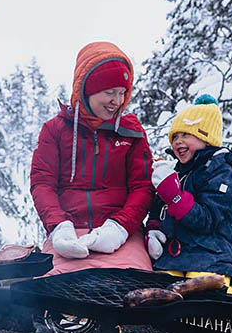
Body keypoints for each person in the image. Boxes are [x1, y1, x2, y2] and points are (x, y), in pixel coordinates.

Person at [30, 42, 154, 276]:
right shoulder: (55, 130)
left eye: (122, 93)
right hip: (69, 233)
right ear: (86, 88)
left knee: (135, 287)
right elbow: (42, 183)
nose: (117, 101)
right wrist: (58, 227)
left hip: (122, 234)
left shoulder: (132, 132)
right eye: (109, 92)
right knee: (52, 288)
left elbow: (143, 187)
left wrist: (119, 228)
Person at [146, 95, 232, 294]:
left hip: (210, 259)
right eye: (175, 137)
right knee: (155, 291)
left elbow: (208, 219)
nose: (178, 142)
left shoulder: (221, 171)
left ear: (206, 137)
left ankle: (226, 291)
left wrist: (175, 196)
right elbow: (159, 206)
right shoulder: (177, 171)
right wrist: (154, 227)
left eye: (185, 135)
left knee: (202, 296)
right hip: (174, 258)